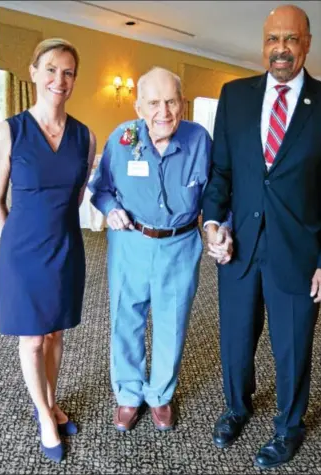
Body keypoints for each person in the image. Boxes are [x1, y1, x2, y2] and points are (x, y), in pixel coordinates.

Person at [202, 4, 321, 470]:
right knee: (235, 339)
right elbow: (220, 174)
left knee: (292, 348)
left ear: (307, 43)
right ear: (263, 44)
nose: (281, 49)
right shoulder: (235, 97)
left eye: (291, 39)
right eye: (273, 39)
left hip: (298, 251)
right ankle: (237, 407)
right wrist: (213, 223)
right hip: (240, 247)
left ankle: (289, 428)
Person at [89, 67, 212, 432]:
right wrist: (110, 209)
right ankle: (128, 393)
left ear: (183, 103)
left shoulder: (199, 140)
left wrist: (221, 226)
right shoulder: (122, 138)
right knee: (126, 319)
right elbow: (102, 187)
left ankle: (160, 394)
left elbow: (218, 193)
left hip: (179, 244)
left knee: (172, 323)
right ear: (139, 106)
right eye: (154, 102)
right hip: (131, 243)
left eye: (172, 101)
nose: (164, 111)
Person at [0, 38, 96, 462]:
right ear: (34, 72)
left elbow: (74, 198)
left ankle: (53, 401)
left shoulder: (85, 136)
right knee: (32, 339)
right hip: (21, 253)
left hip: (66, 248)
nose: (60, 79)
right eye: (52, 69)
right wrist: (12, 245)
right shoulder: (10, 130)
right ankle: (43, 415)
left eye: (69, 72)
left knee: (56, 332)